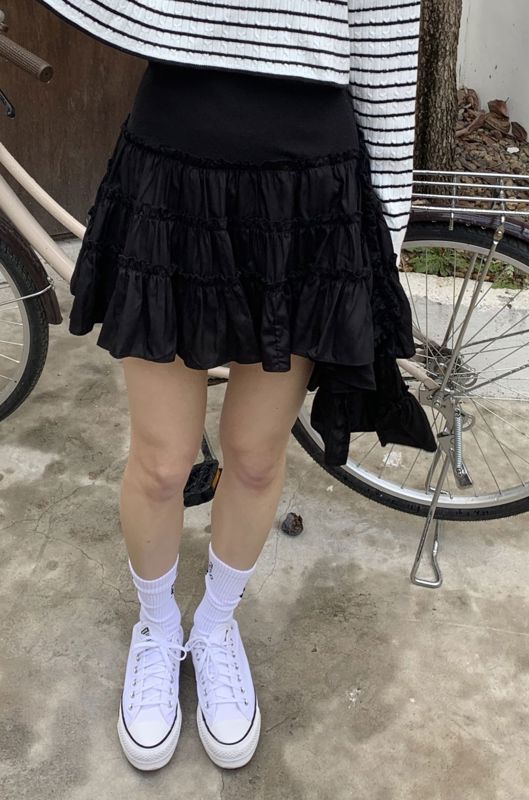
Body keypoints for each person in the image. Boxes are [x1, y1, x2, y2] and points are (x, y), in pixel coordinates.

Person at [38, 0, 433, 772]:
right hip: (173, 177)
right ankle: (158, 627)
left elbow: (386, 54)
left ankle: (216, 625)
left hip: (310, 196)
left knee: (254, 458)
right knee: (162, 462)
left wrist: (379, 238)